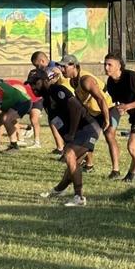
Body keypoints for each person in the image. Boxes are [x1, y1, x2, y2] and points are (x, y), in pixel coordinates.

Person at [31, 69, 102, 207]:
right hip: (78, 133)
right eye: (31, 84)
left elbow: (77, 109)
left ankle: (79, 197)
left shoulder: (57, 90)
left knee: (70, 155)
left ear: (45, 81)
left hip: (87, 128)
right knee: (72, 164)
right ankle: (59, 190)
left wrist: (72, 133)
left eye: (36, 83)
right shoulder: (46, 101)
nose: (33, 87)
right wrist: (68, 138)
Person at [58, 54, 120, 179]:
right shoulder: (72, 81)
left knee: (109, 134)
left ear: (73, 66)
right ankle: (89, 165)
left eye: (64, 67)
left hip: (109, 108)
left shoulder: (85, 80)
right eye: (61, 67)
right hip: (94, 112)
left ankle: (116, 170)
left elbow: (101, 99)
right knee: (86, 135)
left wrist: (107, 119)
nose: (61, 70)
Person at [104, 52, 135, 183]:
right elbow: (119, 103)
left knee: (132, 146)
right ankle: (130, 176)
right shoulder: (111, 83)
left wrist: (128, 106)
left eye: (110, 65)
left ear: (119, 66)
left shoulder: (131, 77)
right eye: (105, 64)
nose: (106, 68)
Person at [31, 51, 72, 155]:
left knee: (61, 123)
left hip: (62, 99)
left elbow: (54, 81)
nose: (37, 68)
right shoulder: (46, 69)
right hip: (54, 99)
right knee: (52, 121)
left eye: (37, 65)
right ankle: (60, 147)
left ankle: (65, 148)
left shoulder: (53, 68)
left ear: (42, 61)